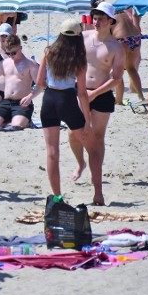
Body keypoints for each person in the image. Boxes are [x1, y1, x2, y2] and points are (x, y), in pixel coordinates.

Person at [36, 18, 91, 197]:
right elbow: (82, 93)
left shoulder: (48, 51)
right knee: (89, 142)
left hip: (49, 99)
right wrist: (88, 120)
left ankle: (57, 196)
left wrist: (49, 89)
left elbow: (39, 82)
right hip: (67, 99)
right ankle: (84, 166)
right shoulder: (78, 58)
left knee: (52, 152)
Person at [77, 3, 124, 206]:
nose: (97, 22)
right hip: (81, 91)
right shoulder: (84, 38)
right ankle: (81, 164)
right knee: (75, 133)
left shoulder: (115, 47)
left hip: (102, 94)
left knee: (97, 138)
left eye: (101, 19)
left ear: (110, 21)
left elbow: (117, 78)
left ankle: (98, 189)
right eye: (95, 18)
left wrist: (94, 94)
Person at [0, 34, 40, 129]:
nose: (11, 56)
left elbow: (40, 85)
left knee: (16, 127)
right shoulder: (5, 63)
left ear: (20, 48)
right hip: (6, 102)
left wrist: (30, 97)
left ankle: (25, 121)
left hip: (22, 103)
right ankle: (9, 120)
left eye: (14, 53)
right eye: (8, 53)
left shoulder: (30, 64)